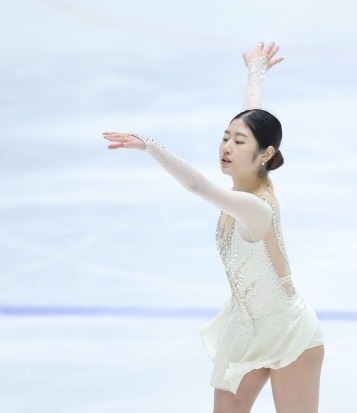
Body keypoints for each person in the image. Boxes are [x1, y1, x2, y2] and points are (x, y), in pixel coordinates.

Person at [103, 41, 325, 413]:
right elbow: (250, 114)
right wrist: (256, 71)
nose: (226, 146)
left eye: (239, 142)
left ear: (265, 154)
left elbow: (198, 187)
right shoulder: (243, 184)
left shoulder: (256, 207)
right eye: (225, 137)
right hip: (245, 328)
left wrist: (150, 147)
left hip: (290, 334)